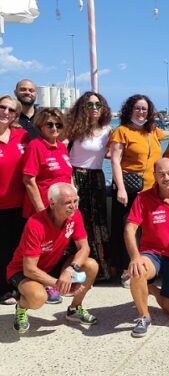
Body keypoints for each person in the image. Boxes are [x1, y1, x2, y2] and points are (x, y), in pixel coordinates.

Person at [6, 183, 99, 333]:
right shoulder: (35, 224)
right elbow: (29, 269)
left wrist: (69, 270)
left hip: (52, 263)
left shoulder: (75, 215)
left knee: (91, 265)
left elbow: (84, 247)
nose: (73, 206)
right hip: (23, 270)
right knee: (38, 298)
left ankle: (74, 308)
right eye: (68, 203)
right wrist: (59, 284)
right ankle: (22, 306)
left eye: (76, 201)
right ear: (52, 203)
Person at [125, 158, 169, 338]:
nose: (167, 178)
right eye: (162, 174)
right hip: (153, 254)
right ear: (154, 176)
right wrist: (135, 257)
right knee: (137, 271)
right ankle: (144, 316)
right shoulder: (143, 198)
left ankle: (151, 289)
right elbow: (129, 229)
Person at [108, 94, 164, 284]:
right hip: (131, 190)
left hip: (152, 189)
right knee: (128, 229)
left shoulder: (153, 131)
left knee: (150, 230)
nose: (141, 112)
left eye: (145, 109)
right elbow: (115, 161)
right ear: (129, 110)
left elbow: (165, 152)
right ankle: (127, 270)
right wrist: (121, 189)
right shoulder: (121, 131)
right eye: (137, 108)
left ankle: (148, 266)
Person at [65, 92, 112, 281]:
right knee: (76, 223)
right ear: (82, 107)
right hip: (76, 177)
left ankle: (99, 270)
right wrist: (70, 183)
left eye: (98, 105)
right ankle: (73, 270)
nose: (94, 109)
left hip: (97, 178)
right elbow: (62, 153)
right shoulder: (74, 128)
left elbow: (110, 154)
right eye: (89, 105)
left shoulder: (107, 130)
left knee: (97, 224)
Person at [0, 95, 30, 305]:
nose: (6, 113)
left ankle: (14, 285)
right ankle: (2, 289)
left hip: (20, 204)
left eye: (11, 110)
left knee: (15, 248)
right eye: (3, 108)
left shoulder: (22, 136)